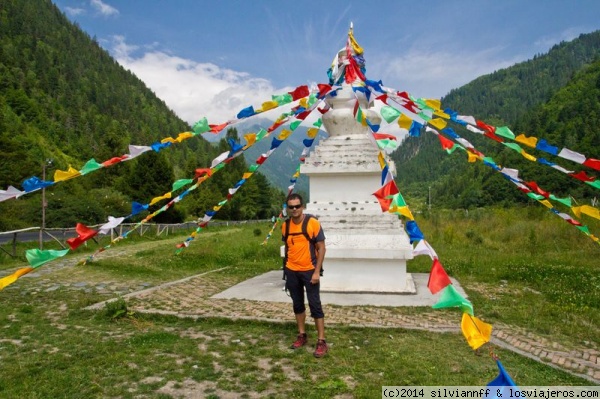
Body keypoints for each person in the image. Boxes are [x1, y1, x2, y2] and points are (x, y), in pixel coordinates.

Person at [282, 193, 328, 358]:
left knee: (315, 305)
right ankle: (302, 335)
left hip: (309, 270)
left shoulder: (313, 223)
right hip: (292, 270)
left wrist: (317, 271)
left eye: (297, 206)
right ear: (288, 208)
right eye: (291, 207)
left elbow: (322, 247)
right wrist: (286, 271)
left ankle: (321, 340)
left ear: (302, 207)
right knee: (297, 304)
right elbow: (288, 247)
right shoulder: (285, 226)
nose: (294, 209)